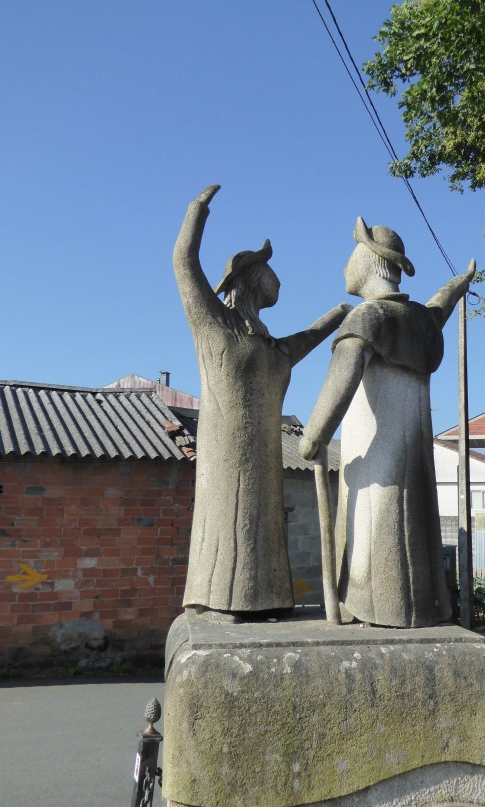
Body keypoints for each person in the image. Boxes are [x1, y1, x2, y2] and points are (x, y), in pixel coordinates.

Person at [173, 185, 351, 618]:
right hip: (225, 453)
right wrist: (198, 210)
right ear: (249, 276)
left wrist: (338, 315)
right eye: (269, 269)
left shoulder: (269, 343)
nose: (277, 277)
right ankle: (220, 598)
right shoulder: (214, 323)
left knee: (262, 524)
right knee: (227, 521)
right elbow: (184, 264)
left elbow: (303, 342)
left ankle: (266, 598)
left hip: (266, 451)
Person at [300, 217, 475, 628]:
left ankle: (377, 608)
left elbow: (339, 385)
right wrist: (459, 282)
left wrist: (314, 436)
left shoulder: (368, 319)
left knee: (374, 537)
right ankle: (419, 608)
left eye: (352, 254)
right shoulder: (421, 322)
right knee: (412, 529)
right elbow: (441, 304)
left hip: (375, 462)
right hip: (413, 458)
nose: (345, 266)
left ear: (374, 262)